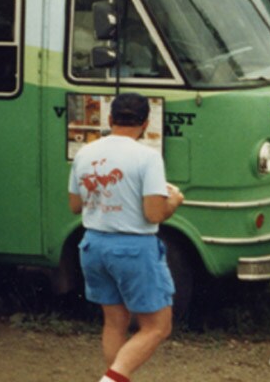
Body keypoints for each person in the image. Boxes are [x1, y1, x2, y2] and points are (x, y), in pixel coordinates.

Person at [68, 93, 184, 382]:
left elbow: (74, 205)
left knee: (114, 322)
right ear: (146, 123)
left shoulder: (85, 153)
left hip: (93, 244)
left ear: (109, 119)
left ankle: (114, 378)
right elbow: (154, 213)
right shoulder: (148, 157)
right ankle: (111, 380)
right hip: (133, 247)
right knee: (158, 326)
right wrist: (174, 202)